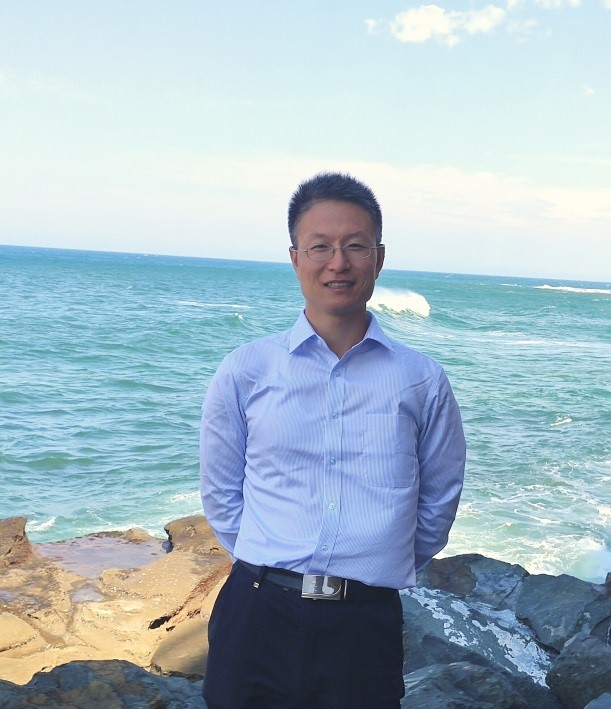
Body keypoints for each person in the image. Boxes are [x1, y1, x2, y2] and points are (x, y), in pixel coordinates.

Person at [200, 172, 466, 708]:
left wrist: (373, 570)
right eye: (319, 246)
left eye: (355, 246)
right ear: (295, 258)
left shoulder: (421, 379)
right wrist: (265, 562)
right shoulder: (246, 370)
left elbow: (439, 500)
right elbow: (221, 493)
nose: (337, 263)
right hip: (257, 615)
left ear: (379, 258)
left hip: (364, 626)